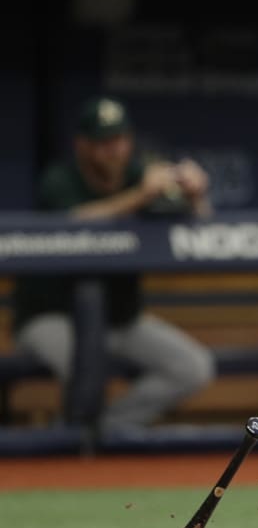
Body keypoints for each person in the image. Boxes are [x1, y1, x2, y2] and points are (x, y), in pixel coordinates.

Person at [11, 96, 215, 432]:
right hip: (52, 316)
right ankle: (77, 442)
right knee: (87, 368)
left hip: (121, 319)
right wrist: (140, 196)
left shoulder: (138, 174)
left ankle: (101, 430)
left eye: (120, 139)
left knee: (193, 367)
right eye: (104, 142)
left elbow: (201, 228)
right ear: (82, 145)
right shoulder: (59, 179)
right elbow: (77, 222)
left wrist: (195, 196)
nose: (115, 150)